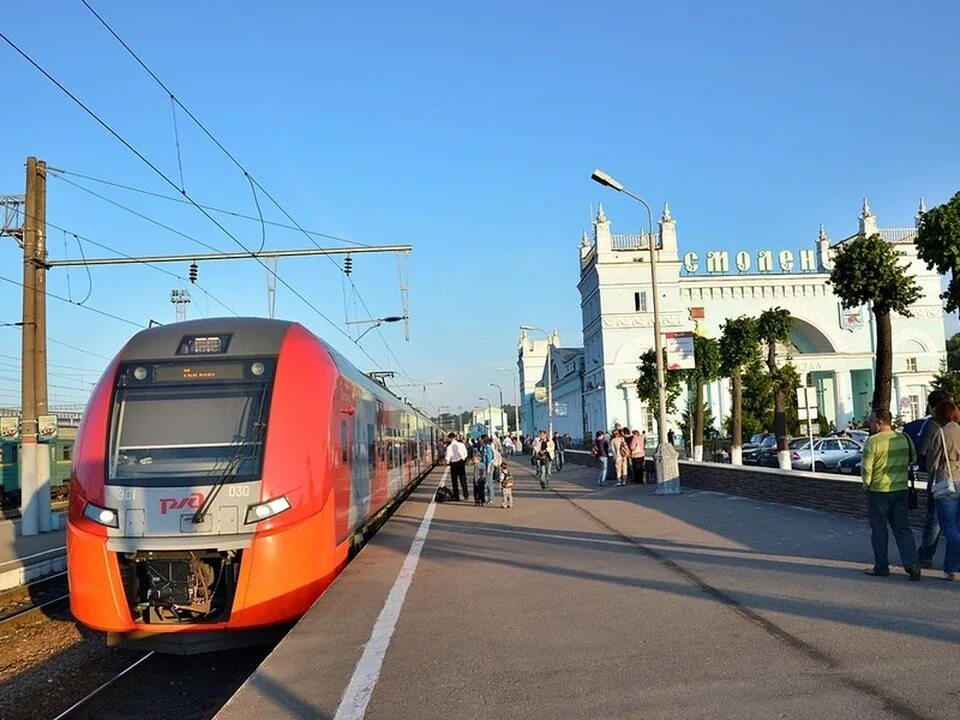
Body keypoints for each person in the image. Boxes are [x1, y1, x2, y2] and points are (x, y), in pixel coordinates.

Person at [861, 408, 921, 580]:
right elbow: (913, 460)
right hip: (901, 490)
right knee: (903, 528)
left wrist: (867, 485)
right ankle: (912, 564)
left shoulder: (873, 442)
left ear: (880, 422)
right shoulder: (905, 439)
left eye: (872, 421)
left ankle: (881, 567)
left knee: (879, 530)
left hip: (879, 491)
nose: (870, 424)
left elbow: (866, 469)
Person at [902, 389, 951, 568]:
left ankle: (925, 555)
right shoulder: (956, 423)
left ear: (932, 406)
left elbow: (920, 450)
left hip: (941, 477)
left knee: (934, 519)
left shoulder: (932, 426)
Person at [925, 400, 960, 581]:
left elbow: (932, 463)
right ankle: (950, 568)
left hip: (947, 480)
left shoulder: (941, 433)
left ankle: (952, 568)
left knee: (948, 528)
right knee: (957, 526)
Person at [445, 432, 469, 502]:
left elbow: (448, 457)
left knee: (454, 482)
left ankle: (457, 497)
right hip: (461, 463)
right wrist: (463, 460)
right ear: (455, 437)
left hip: (453, 465)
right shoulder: (461, 445)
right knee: (463, 480)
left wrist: (447, 462)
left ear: (449, 438)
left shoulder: (449, 447)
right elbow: (465, 454)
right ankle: (466, 495)